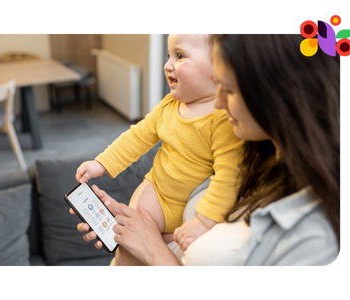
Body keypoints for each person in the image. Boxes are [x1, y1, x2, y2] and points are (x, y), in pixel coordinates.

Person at [72, 33, 350, 268]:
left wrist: (155, 251)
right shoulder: (253, 154)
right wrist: (144, 233)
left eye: (227, 88)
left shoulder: (313, 235)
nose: (217, 103)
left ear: (275, 95)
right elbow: (138, 138)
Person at [75, 33, 244, 267]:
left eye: (180, 55)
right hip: (155, 192)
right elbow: (137, 136)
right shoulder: (168, 106)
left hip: (191, 210)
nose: (167, 65)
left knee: (171, 249)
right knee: (127, 247)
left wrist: (205, 222)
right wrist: (101, 163)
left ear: (219, 67)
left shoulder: (225, 119)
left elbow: (229, 176)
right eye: (168, 55)